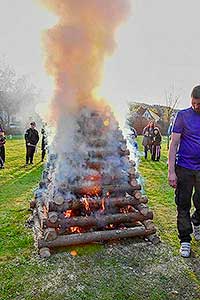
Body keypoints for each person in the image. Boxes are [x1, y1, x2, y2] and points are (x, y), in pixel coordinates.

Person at [168, 85, 200, 258]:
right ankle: (185, 240)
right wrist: (171, 171)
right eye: (194, 103)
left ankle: (197, 221)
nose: (196, 106)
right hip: (185, 168)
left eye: (199, 104)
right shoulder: (183, 116)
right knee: (183, 204)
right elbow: (173, 145)